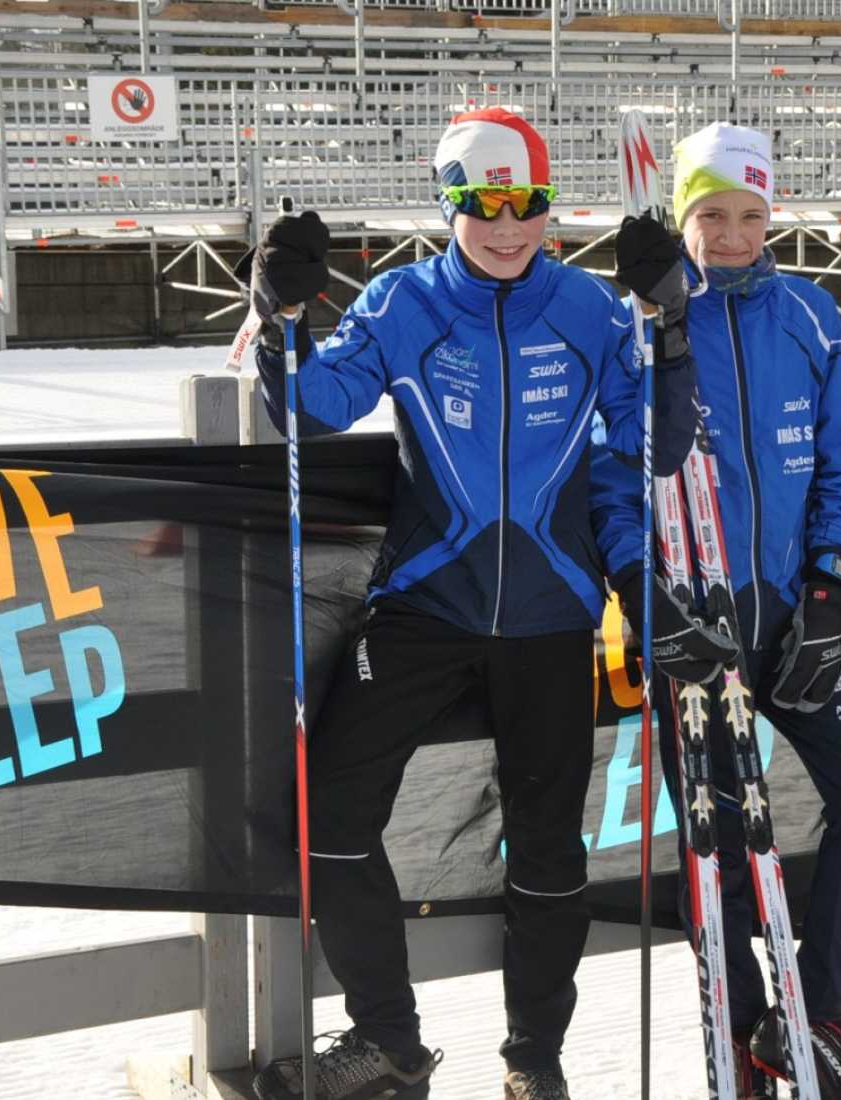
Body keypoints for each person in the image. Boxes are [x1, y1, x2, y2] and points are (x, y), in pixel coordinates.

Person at [239, 107, 697, 1100]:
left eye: (527, 202)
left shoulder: (586, 309)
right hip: (423, 607)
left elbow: (656, 443)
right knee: (329, 817)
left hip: (552, 613)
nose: (507, 225)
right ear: (448, 203)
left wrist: (669, 321)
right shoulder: (406, 300)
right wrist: (281, 314)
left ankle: (535, 1054)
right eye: (484, 205)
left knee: (547, 848)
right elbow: (314, 407)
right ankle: (389, 1041)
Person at [591, 122, 841, 1100]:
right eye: (711, 215)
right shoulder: (637, 320)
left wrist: (827, 589)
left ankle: (809, 1020)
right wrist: (647, 597)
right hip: (696, 615)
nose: (731, 235)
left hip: (790, 615)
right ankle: (739, 1031)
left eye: (750, 215)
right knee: (717, 842)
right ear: (683, 216)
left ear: (773, 215)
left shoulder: (808, 313)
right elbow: (614, 479)